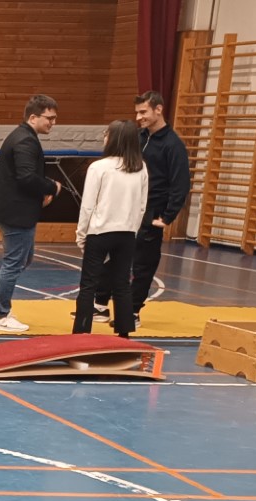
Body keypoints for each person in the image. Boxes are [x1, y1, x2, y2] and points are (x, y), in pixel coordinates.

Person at [106, 91, 191, 325]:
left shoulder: (173, 145)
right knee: (115, 258)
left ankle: (132, 312)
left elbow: (180, 183)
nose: (138, 117)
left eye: (143, 112)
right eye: (137, 112)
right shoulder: (137, 137)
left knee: (143, 265)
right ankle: (101, 305)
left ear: (158, 109)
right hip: (127, 209)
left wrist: (167, 216)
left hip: (152, 212)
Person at [0, 94, 61, 334]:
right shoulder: (25, 140)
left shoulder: (23, 136)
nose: (53, 123)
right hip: (15, 212)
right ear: (33, 117)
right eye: (49, 118)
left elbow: (24, 175)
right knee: (14, 262)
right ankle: (0, 316)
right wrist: (52, 187)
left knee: (23, 259)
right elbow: (26, 177)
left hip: (11, 209)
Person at [74, 121, 149, 339]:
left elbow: (88, 205)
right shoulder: (140, 167)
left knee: (88, 284)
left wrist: (81, 234)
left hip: (100, 232)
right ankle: (124, 334)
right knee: (122, 284)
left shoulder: (99, 167)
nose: (103, 137)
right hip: (127, 233)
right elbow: (141, 206)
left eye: (106, 133)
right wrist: (132, 230)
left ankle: (81, 333)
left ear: (114, 138)